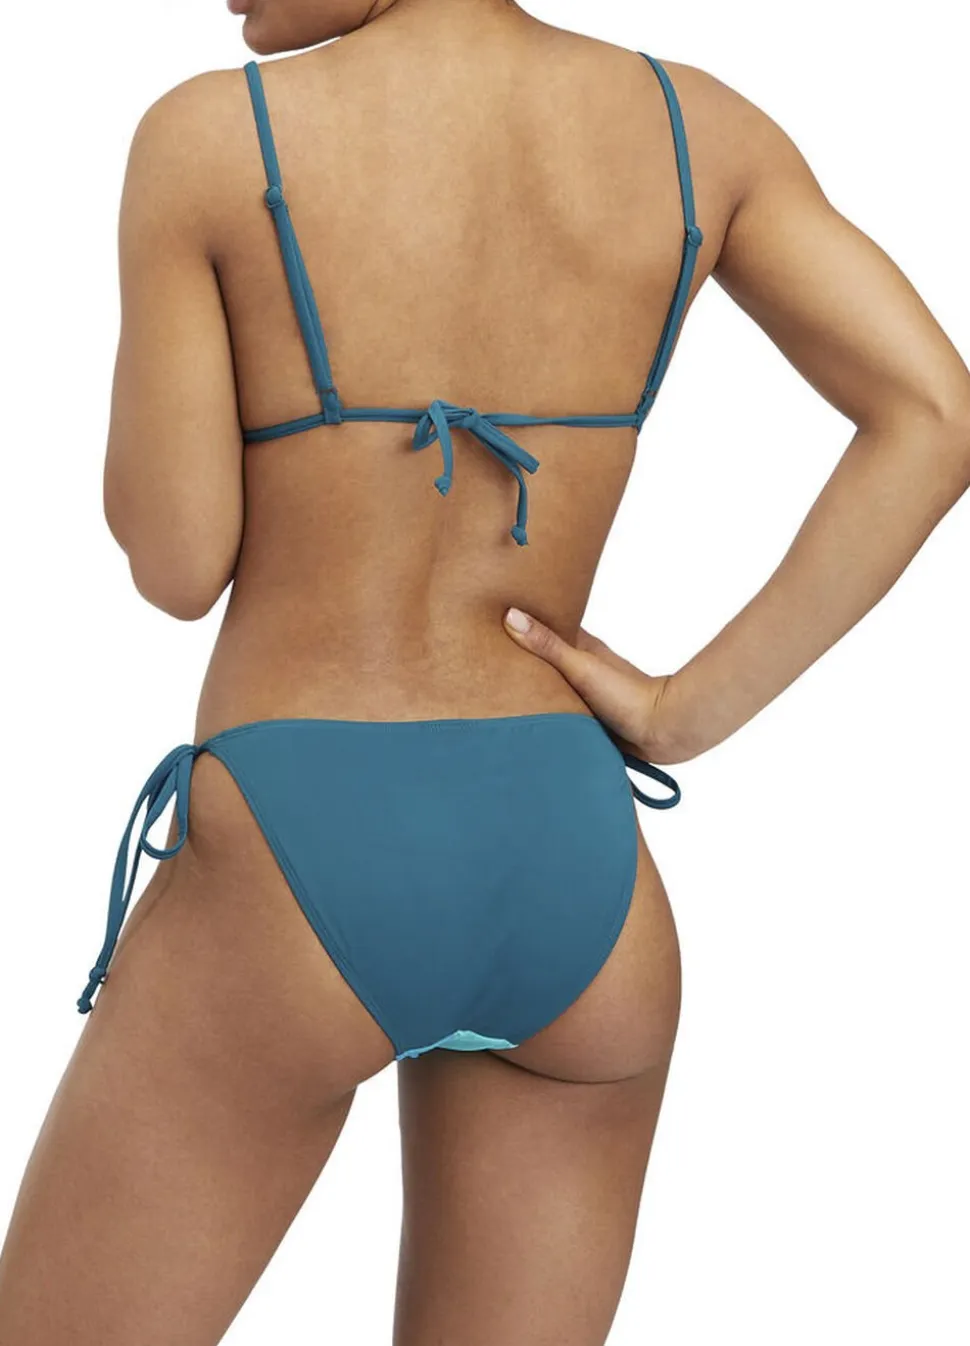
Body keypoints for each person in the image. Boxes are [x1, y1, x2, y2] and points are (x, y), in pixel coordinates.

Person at [1, 1, 968, 1342]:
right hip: (574, 860)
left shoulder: (211, 138)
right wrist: (681, 711)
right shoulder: (700, 131)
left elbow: (175, 562)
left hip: (303, 848)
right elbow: (933, 412)